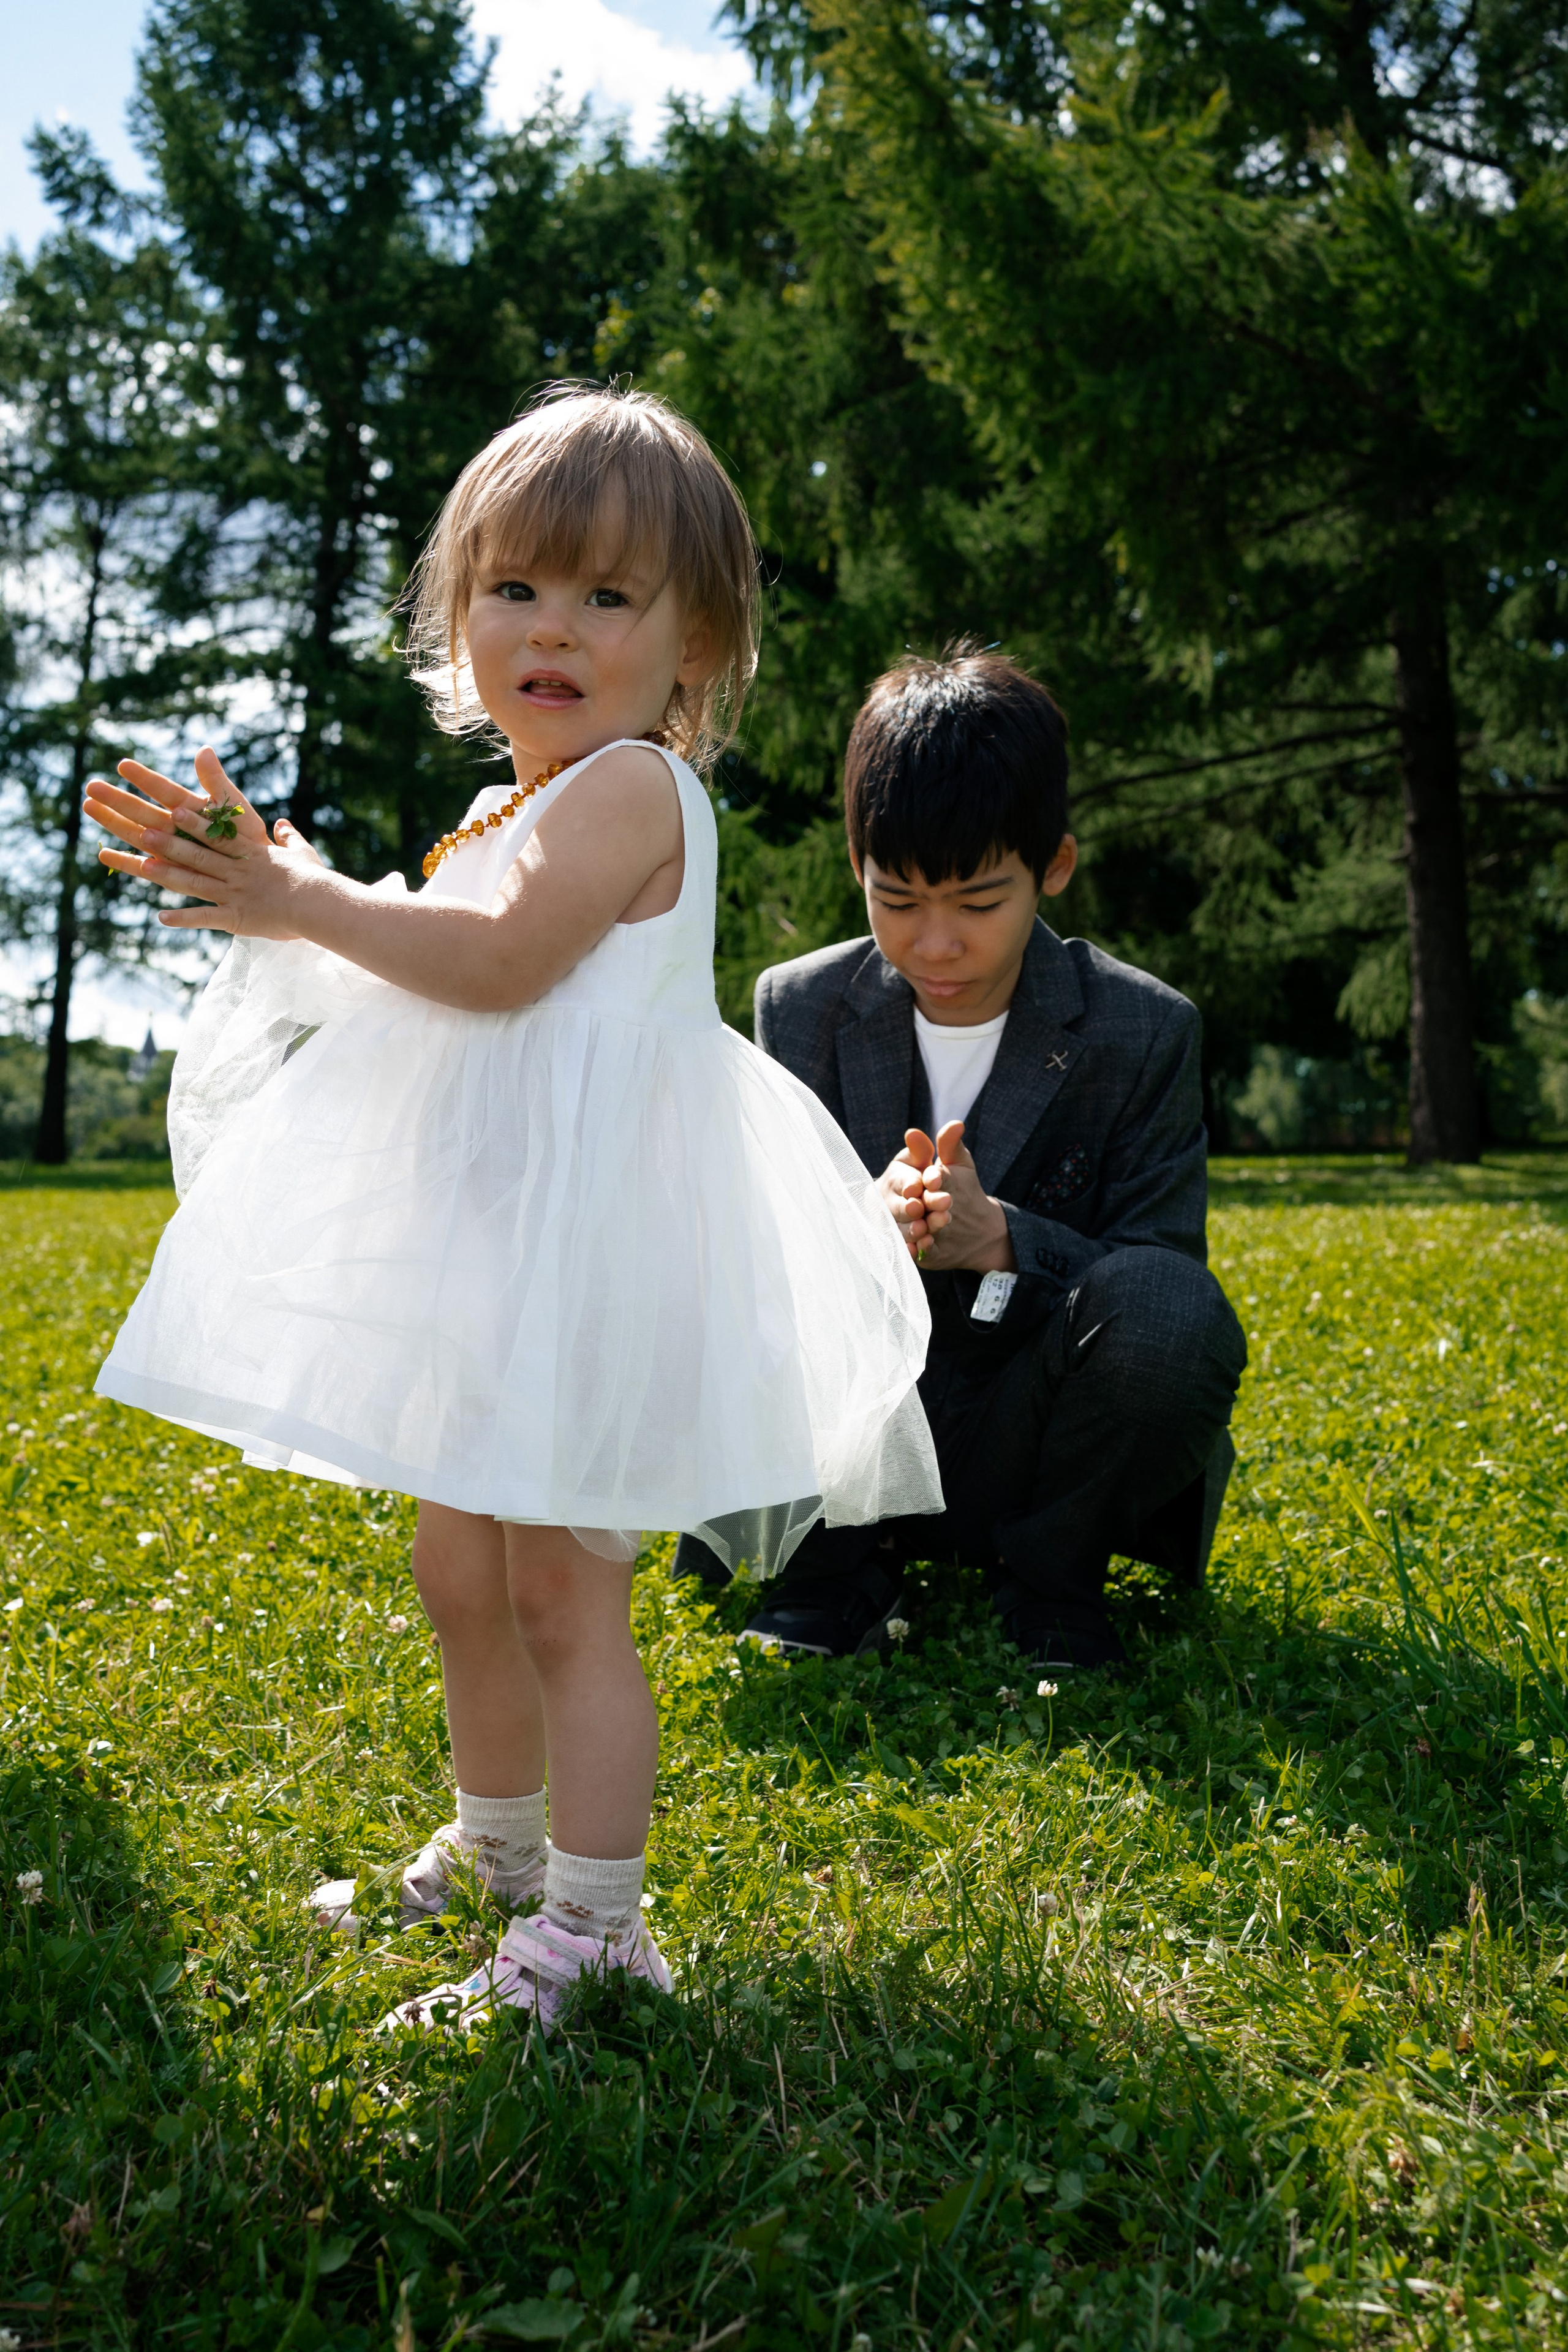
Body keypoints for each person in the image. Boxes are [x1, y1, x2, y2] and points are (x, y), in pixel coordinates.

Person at [84, 388, 941, 2031]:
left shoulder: (629, 790)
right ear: (459, 610)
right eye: (517, 589)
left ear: (697, 643)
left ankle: (600, 1926)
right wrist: (275, 893)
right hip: (495, 1261)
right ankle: (495, 1850)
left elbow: (494, 969)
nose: (556, 628)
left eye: (610, 597)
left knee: (562, 1587)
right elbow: (412, 979)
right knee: (458, 1568)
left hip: (592, 1259)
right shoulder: (506, 813)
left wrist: (307, 901)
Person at [676, 648, 1246, 1675]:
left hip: (1034, 1440)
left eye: (980, 904)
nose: (935, 944)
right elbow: (744, 1253)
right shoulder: (798, 1006)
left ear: (1054, 868)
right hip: (842, 1439)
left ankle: (1054, 1580)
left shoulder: (1144, 1028)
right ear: (857, 864)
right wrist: (855, 1226)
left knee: (1171, 1311)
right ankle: (830, 1565)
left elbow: (1163, 1274)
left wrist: (1007, 1241)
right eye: (896, 901)